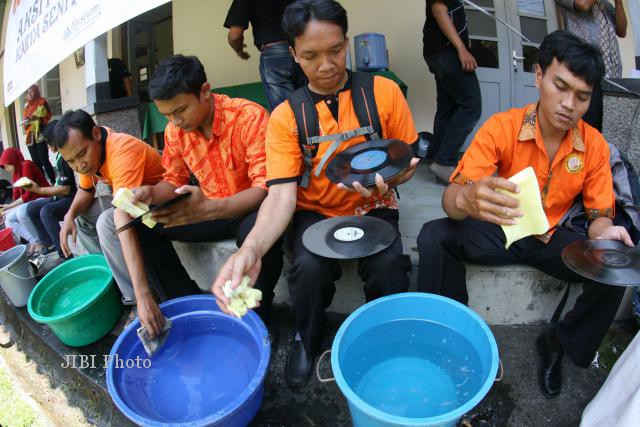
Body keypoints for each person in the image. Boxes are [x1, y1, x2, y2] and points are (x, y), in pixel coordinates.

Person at [212, 0, 420, 388]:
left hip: (374, 204)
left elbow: (404, 163)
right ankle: (307, 339)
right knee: (306, 271)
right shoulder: (286, 116)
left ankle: (384, 340)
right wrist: (250, 251)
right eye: (310, 56)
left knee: (390, 267)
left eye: (336, 51)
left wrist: (394, 181)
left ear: (347, 42)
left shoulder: (385, 93)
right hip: (315, 213)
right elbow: (280, 198)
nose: (326, 65)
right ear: (292, 54)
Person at [417, 31, 630, 398]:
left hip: (553, 237)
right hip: (501, 227)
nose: (568, 104)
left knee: (615, 268)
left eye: (582, 96)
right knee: (435, 235)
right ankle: (451, 334)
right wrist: (467, 198)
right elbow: (451, 199)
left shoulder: (594, 146)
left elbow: (599, 214)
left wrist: (605, 233)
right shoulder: (503, 127)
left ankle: (559, 342)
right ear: (538, 76)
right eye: (560, 86)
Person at [117, 53, 282, 338]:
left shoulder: (249, 117)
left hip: (249, 209)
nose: (174, 121)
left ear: (205, 91)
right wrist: (150, 192)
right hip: (208, 209)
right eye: (166, 114)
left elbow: (265, 189)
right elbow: (173, 180)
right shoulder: (174, 132)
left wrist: (211, 208)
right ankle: (186, 301)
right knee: (143, 228)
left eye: (180, 110)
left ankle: (258, 319)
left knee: (257, 231)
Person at [52, 110, 191, 318]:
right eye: (71, 161)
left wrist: (142, 294)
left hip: (164, 199)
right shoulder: (93, 150)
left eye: (81, 155)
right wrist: (69, 216)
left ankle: (140, 299)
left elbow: (123, 217)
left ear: (96, 134)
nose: (79, 166)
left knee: (106, 223)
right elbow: (86, 191)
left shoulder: (121, 151)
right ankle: (113, 279)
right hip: (135, 202)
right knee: (81, 218)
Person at [423, 0, 481, 182]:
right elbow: (439, 11)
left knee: (447, 109)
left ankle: (440, 162)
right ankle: (444, 161)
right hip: (447, 53)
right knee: (471, 105)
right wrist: (462, 50)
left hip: (439, 53)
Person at [556, 0, 627, 131]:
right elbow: (582, 4)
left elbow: (622, 31)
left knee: (610, 131)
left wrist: (619, 3)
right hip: (586, 75)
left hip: (612, 77)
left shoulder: (604, 5)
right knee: (588, 129)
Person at [224, 0, 306, 110]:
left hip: (274, 56)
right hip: (304, 48)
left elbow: (235, 36)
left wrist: (239, 51)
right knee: (313, 105)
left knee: (286, 113)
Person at [24, 120, 77, 260]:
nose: (47, 146)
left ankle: (65, 255)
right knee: (31, 208)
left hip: (70, 198)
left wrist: (39, 190)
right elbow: (59, 184)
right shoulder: (59, 156)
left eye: (48, 142)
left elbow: (65, 189)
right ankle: (50, 244)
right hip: (59, 197)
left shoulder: (65, 157)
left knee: (46, 212)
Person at [0, 147, 50, 256]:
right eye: (5, 167)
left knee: (21, 212)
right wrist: (15, 179)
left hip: (44, 197)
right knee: (9, 220)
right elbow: (16, 196)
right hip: (32, 202)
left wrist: (8, 207)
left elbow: (27, 195)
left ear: (13, 160)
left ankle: (40, 241)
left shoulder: (26, 165)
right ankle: (34, 240)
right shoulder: (17, 172)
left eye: (8, 165)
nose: (7, 169)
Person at [22, 84, 56, 183]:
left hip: (40, 134)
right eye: (27, 92)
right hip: (30, 137)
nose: (29, 94)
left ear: (36, 91)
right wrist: (27, 122)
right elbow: (25, 124)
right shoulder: (26, 107)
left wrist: (36, 117)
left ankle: (53, 181)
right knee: (36, 163)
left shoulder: (42, 101)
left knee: (44, 159)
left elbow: (48, 114)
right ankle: (42, 183)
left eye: (31, 91)